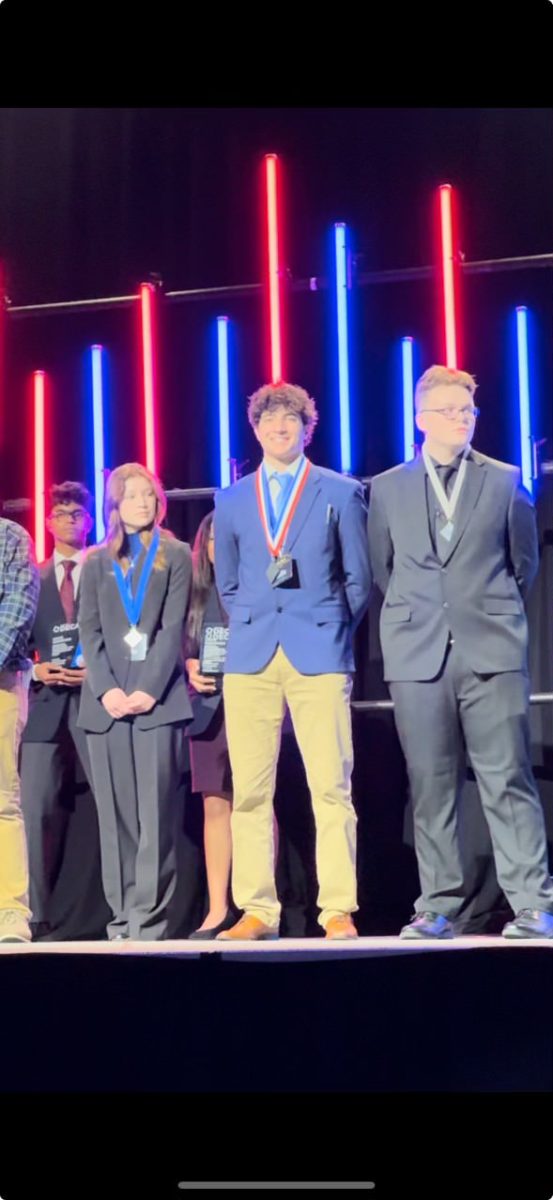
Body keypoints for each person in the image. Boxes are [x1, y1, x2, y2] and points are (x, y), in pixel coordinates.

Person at [367, 363, 553, 940]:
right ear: (421, 420)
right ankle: (438, 905)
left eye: (468, 410)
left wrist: (482, 614)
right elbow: (383, 569)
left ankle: (533, 905)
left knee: (507, 779)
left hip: (490, 651)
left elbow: (523, 564)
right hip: (417, 655)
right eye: (448, 411)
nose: (461, 419)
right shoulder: (387, 486)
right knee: (431, 784)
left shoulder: (503, 479)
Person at [214, 381, 371, 941]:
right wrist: (258, 621)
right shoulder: (231, 499)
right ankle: (256, 909)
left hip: (320, 650)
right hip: (252, 654)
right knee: (251, 790)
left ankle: (337, 911)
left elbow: (358, 579)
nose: (280, 428)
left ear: (308, 429)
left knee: (331, 786)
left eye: (291, 421)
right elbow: (228, 585)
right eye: (270, 421)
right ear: (255, 430)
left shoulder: (340, 491)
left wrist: (329, 628)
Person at [77, 463, 193, 941]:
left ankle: (150, 918)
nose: (142, 503)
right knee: (116, 818)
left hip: (156, 701)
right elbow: (90, 630)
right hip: (106, 707)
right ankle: (121, 916)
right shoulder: (97, 561)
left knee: (156, 817)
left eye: (149, 495)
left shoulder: (176, 554)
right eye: (132, 496)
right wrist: (108, 691)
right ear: (115, 505)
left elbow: (171, 628)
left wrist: (147, 688)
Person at [20, 481, 104, 939]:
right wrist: (37, 671)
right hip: (44, 703)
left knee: (114, 805)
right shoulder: (32, 575)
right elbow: (16, 642)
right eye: (61, 514)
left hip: (97, 698)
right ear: (47, 523)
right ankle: (30, 913)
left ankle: (127, 907)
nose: (69, 520)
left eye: (77, 514)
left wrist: (97, 669)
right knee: (32, 808)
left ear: (89, 521)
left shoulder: (107, 570)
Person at [184, 511, 237, 940]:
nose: (221, 545)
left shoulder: (253, 588)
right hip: (206, 710)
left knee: (257, 805)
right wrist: (190, 665)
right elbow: (180, 644)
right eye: (213, 538)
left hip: (253, 706)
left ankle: (258, 904)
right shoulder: (196, 594)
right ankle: (217, 908)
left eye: (228, 536)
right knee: (214, 807)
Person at [0, 515, 39, 943]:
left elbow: (17, 611)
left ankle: (9, 910)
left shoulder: (10, 537)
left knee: (1, 801)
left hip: (1, 682)